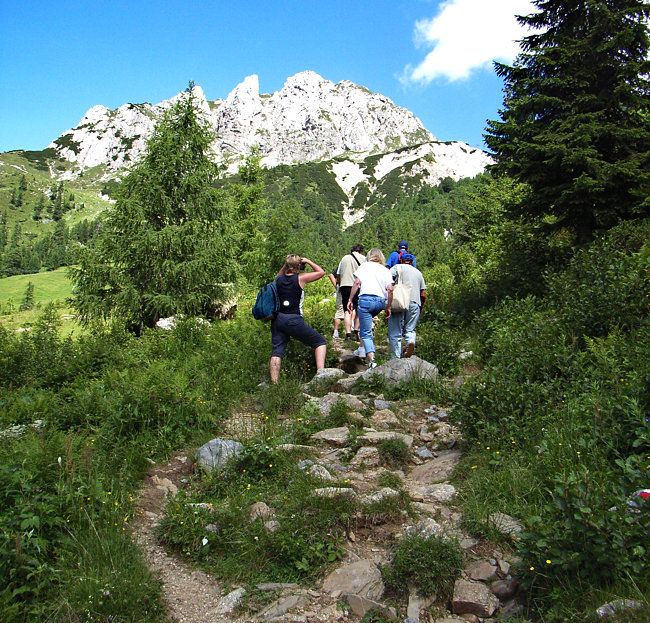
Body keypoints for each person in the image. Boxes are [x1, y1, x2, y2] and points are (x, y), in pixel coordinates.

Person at [269, 254, 327, 383]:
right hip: (293, 319)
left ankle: (274, 384)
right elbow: (321, 272)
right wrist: (308, 261)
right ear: (299, 266)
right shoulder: (301, 278)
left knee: (277, 351)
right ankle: (321, 378)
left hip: (277, 319)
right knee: (320, 343)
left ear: (287, 266)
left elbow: (278, 275)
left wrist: (287, 264)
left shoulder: (278, 279)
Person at [347, 248, 393, 368]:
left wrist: (350, 299)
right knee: (366, 324)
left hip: (366, 300)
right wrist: (388, 306)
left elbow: (357, 282)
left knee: (365, 331)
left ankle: (372, 360)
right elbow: (390, 289)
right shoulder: (385, 270)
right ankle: (362, 348)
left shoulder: (364, 266)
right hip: (380, 302)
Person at [388, 252, 426, 359]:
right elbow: (423, 294)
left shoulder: (397, 267)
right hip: (415, 303)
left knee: (395, 331)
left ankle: (395, 357)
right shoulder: (418, 273)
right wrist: (421, 307)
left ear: (401, 260)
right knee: (410, 329)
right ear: (412, 262)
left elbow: (387, 280)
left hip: (399, 301)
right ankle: (410, 341)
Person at [335, 244, 365, 341]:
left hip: (345, 286)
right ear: (360, 251)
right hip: (358, 286)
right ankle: (356, 332)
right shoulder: (364, 259)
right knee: (358, 310)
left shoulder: (344, 259)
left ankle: (348, 334)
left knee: (347, 310)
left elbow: (338, 274)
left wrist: (339, 284)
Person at [328, 270, 345, 338]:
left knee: (340, 310)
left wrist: (337, 286)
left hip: (341, 288)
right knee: (353, 310)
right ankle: (351, 332)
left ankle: (336, 332)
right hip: (353, 288)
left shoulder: (342, 264)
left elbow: (331, 275)